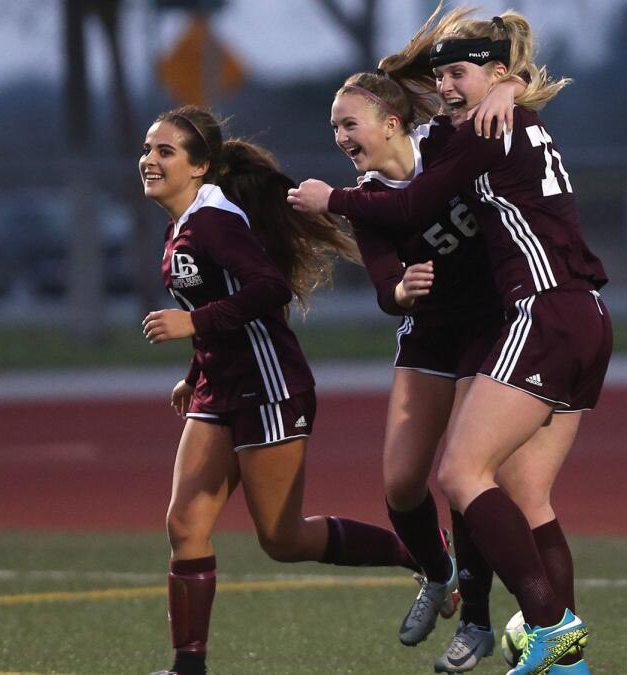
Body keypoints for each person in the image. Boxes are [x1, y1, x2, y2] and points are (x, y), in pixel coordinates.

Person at [289, 9, 610, 675]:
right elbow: (389, 254)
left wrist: (331, 199)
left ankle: (543, 623)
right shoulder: (493, 118)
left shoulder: (475, 131)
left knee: (462, 473)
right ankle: (564, 663)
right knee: (518, 492)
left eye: (458, 75)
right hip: (582, 314)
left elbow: (410, 206)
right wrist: (506, 86)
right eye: (440, 78)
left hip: (537, 313)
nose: (446, 87)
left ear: (393, 121)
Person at [139, 105, 425, 675]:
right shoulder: (182, 222)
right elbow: (215, 302)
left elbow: (268, 289)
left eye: (165, 151)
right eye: (147, 150)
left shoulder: (215, 222)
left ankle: (425, 555)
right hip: (219, 390)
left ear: (199, 167)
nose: (149, 161)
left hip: (270, 386)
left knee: (282, 538)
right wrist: (195, 373)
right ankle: (187, 666)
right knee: (184, 525)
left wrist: (193, 327)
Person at [327, 66, 523, 672]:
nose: (340, 136)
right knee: (401, 484)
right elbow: (385, 286)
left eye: (348, 123)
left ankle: (477, 623)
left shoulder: (446, 143)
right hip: (430, 336)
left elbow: (512, 102)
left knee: (461, 477)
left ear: (391, 124)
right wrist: (402, 291)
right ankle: (437, 574)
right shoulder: (363, 198)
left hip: (490, 327)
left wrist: (511, 87)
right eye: (333, 127)